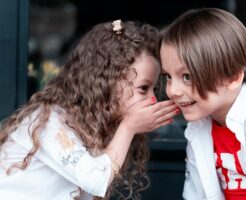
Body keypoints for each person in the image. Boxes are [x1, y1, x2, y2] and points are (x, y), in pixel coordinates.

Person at [0, 20, 179, 200]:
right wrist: (129, 127)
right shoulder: (49, 121)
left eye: (154, 90)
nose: (152, 99)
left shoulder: (93, 126)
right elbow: (95, 180)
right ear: (108, 82)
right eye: (143, 88)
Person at [159, 8, 246, 200]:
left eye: (187, 77)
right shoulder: (198, 130)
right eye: (168, 76)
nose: (172, 90)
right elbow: (196, 195)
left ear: (233, 77)